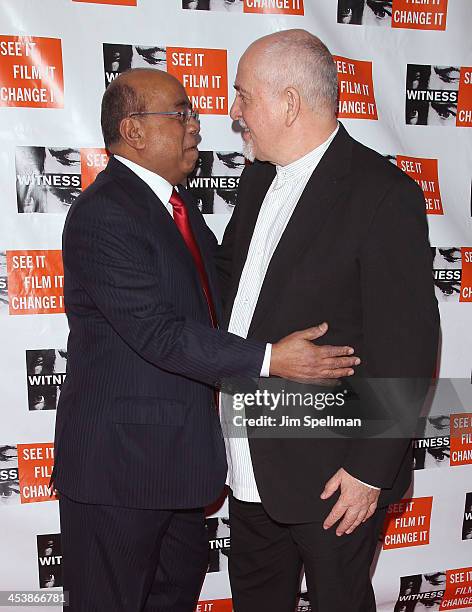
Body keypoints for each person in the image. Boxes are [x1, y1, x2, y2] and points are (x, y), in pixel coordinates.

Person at [52, 66, 360, 612]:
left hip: (182, 471)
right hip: (118, 477)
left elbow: (226, 290)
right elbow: (158, 333)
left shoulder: (178, 206)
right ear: (134, 130)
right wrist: (271, 359)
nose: (197, 125)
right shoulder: (103, 214)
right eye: (180, 113)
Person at [217, 30, 439, 612]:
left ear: (290, 102)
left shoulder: (381, 194)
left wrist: (369, 471)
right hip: (249, 459)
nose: (233, 112)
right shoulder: (257, 179)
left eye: (243, 96)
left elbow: (409, 344)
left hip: (333, 475)